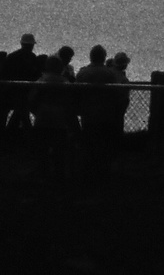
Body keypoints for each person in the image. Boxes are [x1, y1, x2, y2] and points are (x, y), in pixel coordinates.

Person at [74, 45, 121, 181]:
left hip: (88, 114)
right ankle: (103, 173)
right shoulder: (110, 74)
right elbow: (116, 94)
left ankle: (88, 173)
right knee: (104, 146)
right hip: (106, 115)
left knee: (89, 145)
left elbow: (77, 94)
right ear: (104, 57)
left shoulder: (83, 73)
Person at [29, 52, 75, 182]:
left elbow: (32, 100)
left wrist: (37, 112)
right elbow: (70, 102)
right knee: (59, 150)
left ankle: (43, 175)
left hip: (42, 117)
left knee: (42, 150)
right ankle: (59, 176)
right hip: (60, 119)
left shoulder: (41, 81)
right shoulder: (65, 82)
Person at [2, 34, 39, 132]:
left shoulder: (12, 57)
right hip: (25, 91)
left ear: (21, 43)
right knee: (22, 114)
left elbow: (5, 74)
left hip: (14, 91)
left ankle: (8, 135)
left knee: (20, 113)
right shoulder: (32, 57)